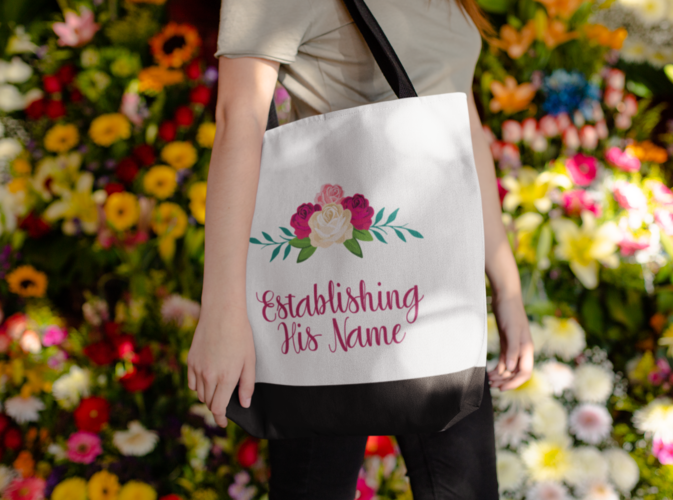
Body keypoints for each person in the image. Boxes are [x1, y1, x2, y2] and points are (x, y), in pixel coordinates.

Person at [186, 0, 534, 498]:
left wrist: (507, 288)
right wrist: (222, 311)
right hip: (330, 299)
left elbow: (463, 128)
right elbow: (237, 120)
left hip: (435, 283)